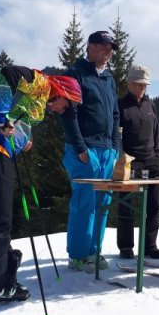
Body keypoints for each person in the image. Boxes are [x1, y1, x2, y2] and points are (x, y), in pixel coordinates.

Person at [0, 66, 82, 304]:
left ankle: (4, 277)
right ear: (62, 92)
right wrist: (1, 117)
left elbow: (19, 113)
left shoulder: (40, 97)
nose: (61, 110)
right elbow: (9, 73)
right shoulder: (42, 82)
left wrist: (25, 137)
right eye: (66, 105)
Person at [59, 31, 120, 273]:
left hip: (106, 150)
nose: (109, 52)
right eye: (105, 47)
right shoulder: (75, 74)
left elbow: (115, 115)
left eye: (111, 48)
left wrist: (114, 147)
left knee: (102, 202)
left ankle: (94, 251)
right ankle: (77, 256)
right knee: (84, 201)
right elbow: (68, 113)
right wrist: (80, 148)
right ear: (91, 47)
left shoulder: (109, 79)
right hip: (84, 149)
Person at [117, 65, 159, 260]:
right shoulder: (120, 105)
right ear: (129, 83)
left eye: (145, 84)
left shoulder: (150, 105)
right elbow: (116, 135)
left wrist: (158, 152)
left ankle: (150, 246)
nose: (142, 87)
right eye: (138, 84)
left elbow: (157, 131)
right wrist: (122, 157)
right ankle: (125, 247)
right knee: (126, 205)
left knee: (153, 205)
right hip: (129, 162)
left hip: (152, 160)